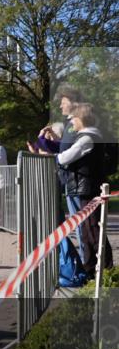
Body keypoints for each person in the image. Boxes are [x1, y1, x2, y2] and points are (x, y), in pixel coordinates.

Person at [57, 103, 113, 273]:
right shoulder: (88, 136)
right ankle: (93, 267)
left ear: (81, 118)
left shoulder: (87, 138)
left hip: (87, 188)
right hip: (86, 187)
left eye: (74, 118)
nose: (71, 122)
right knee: (89, 229)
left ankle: (103, 269)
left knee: (92, 229)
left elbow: (64, 158)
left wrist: (55, 157)